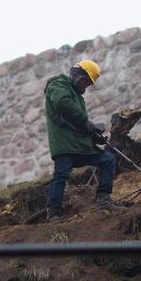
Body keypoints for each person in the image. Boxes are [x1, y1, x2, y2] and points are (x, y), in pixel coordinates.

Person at [44, 60, 119, 220]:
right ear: (76, 74)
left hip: (80, 145)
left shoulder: (76, 96)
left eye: (88, 84)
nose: (85, 86)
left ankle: (103, 200)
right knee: (61, 175)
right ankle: (53, 213)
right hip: (65, 145)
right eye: (85, 81)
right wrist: (87, 123)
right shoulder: (58, 85)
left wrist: (94, 136)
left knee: (108, 160)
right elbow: (63, 104)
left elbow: (77, 124)